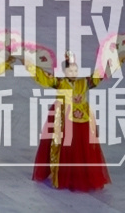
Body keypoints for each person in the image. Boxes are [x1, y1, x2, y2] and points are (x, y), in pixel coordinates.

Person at [25, 47, 117, 192]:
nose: (73, 73)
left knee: (81, 149)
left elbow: (98, 75)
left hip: (82, 119)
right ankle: (63, 175)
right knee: (65, 147)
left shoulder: (84, 83)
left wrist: (111, 64)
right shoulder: (59, 83)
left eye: (75, 70)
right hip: (64, 118)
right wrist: (29, 65)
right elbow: (43, 77)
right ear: (64, 71)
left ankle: (81, 175)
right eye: (70, 70)